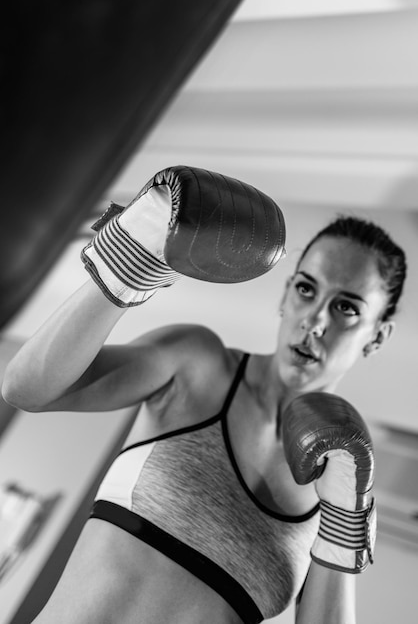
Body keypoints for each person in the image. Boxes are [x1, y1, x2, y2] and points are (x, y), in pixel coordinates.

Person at [2, 166, 407, 624]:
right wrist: (127, 266)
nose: (315, 321)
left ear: (378, 336)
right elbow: (25, 389)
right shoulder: (198, 364)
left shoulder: (341, 481)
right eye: (306, 289)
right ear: (284, 297)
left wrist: (342, 522)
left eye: (346, 307)